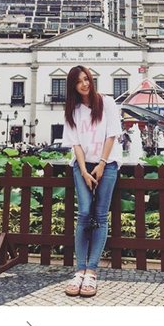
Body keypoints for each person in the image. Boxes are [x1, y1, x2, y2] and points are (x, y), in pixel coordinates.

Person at [62, 65, 122, 297]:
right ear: (73, 86)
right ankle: (79, 270)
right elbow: (76, 144)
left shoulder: (107, 103)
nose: (84, 84)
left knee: (101, 215)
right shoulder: (72, 111)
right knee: (85, 212)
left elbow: (112, 134)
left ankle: (91, 272)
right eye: (79, 81)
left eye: (86, 79)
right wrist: (85, 171)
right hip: (82, 165)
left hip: (108, 163)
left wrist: (102, 164)